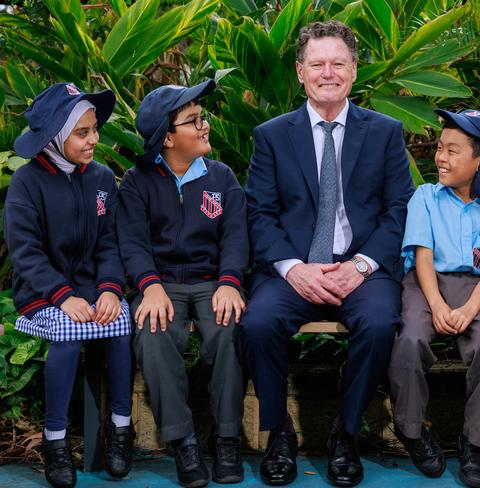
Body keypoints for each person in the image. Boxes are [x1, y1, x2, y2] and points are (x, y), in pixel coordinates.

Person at [241, 20, 414, 487]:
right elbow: (259, 213)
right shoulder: (272, 136)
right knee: (257, 323)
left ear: (354, 71)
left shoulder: (384, 132)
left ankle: (346, 433)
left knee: (379, 323)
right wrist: (293, 269)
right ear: (300, 72)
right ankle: (279, 433)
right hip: (293, 270)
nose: (328, 72)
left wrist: (361, 265)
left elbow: (399, 210)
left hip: (361, 267)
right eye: (317, 64)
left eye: (339, 63)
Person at [116, 80, 248, 487]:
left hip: (213, 282)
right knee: (153, 332)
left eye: (202, 117)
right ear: (167, 138)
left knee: (229, 329)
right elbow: (133, 242)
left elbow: (236, 238)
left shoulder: (222, 178)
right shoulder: (138, 182)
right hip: (161, 285)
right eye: (193, 121)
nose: (204, 126)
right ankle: (183, 442)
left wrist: (230, 282)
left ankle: (226, 437)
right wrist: (149, 286)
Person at [5, 83, 133, 488]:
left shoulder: (100, 178)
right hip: (44, 293)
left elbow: (111, 242)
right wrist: (63, 296)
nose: (94, 139)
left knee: (121, 326)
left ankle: (120, 428)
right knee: (68, 333)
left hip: (95, 289)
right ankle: (55, 440)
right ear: (57, 135)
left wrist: (111, 289)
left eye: (95, 129)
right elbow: (25, 252)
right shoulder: (27, 183)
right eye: (83, 132)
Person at [388, 109, 480, 488]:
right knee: (409, 340)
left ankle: (474, 444)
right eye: (440, 148)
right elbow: (422, 256)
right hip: (425, 283)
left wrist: (470, 309)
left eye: (453, 150)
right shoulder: (425, 196)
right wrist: (439, 305)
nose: (440, 157)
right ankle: (411, 431)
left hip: (476, 288)